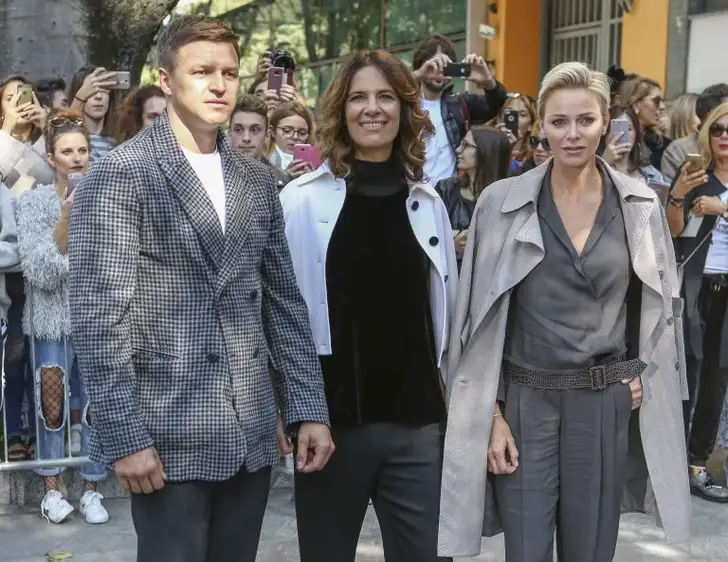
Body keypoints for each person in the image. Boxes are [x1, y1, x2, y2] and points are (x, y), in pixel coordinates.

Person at [67, 16, 333, 562]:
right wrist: (125, 437)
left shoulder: (256, 179)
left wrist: (308, 406)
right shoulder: (121, 174)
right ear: (166, 80)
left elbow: (283, 303)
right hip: (165, 435)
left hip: (250, 433)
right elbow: (99, 318)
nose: (218, 85)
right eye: (202, 72)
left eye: (229, 73)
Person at [438, 61, 692, 561]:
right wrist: (491, 416)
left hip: (603, 402)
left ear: (606, 123)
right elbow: (473, 322)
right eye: (559, 122)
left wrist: (640, 369)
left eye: (585, 120)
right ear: (541, 125)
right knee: (526, 550)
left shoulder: (639, 205)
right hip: (524, 403)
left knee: (590, 551)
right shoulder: (500, 203)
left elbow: (660, 307)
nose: (572, 134)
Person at [280, 49, 458, 562]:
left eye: (385, 97)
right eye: (359, 97)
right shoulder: (301, 200)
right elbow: (284, 316)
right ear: (341, 110)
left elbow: (444, 314)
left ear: (404, 108)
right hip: (330, 426)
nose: (372, 108)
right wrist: (293, 409)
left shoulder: (429, 203)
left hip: (417, 426)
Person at [16, 109, 109, 524]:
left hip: (96, 321)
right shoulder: (34, 203)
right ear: (51, 158)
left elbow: (110, 263)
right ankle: (52, 491)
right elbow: (39, 272)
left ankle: (92, 488)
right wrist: (67, 217)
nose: (76, 158)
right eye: (67, 151)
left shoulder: (105, 198)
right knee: (50, 408)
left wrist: (68, 262)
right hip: (50, 322)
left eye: (82, 150)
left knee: (94, 407)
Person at [666, 102, 728, 502]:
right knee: (684, 375)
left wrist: (723, 208)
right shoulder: (696, 175)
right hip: (694, 285)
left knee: (716, 382)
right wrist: (678, 196)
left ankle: (697, 465)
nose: (724, 136)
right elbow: (672, 231)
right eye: (717, 129)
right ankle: (669, 463)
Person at [0, 75, 52, 463]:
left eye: (25, 95)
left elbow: (56, 178)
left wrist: (47, 128)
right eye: (10, 97)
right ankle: (14, 431)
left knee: (45, 354)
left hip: (46, 263)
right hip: (10, 269)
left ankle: (43, 432)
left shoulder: (46, 144)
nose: (20, 103)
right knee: (14, 353)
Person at [412, 34, 507, 187]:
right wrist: (417, 75)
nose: (439, 71)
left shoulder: (460, 104)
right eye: (434, 64)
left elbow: (498, 103)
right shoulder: (403, 104)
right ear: (420, 66)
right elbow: (388, 87)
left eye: (445, 66)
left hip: (448, 195)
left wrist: (488, 82)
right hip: (410, 193)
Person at [435, 127, 510, 267]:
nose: (458, 149)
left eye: (467, 145)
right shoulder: (446, 189)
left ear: (486, 152)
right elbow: (428, 233)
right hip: (451, 273)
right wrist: (451, 241)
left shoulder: (508, 196)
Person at [662, 83, 728, 183]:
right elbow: (671, 190)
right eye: (723, 111)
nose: (724, 136)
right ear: (707, 115)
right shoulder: (679, 150)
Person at [228, 94, 291, 189]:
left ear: (267, 134)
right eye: (238, 129)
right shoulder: (214, 177)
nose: (246, 138)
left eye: (254, 130)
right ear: (229, 133)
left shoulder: (284, 181)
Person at [601, 105, 665, 184]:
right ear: (604, 133)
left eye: (629, 129)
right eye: (616, 129)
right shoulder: (595, 169)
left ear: (636, 133)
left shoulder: (652, 174)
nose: (622, 133)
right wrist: (604, 163)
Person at [68, 65, 118, 163]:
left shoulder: (121, 141)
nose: (98, 96)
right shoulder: (68, 138)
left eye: (103, 90)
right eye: (91, 90)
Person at [620, 75, 670, 170]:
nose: (662, 106)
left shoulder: (660, 143)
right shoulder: (615, 139)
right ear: (636, 104)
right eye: (656, 101)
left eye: (662, 101)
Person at [268, 102, 315, 179]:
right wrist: (284, 178)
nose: (295, 137)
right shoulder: (262, 161)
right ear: (272, 131)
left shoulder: (319, 164)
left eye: (302, 133)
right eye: (287, 131)